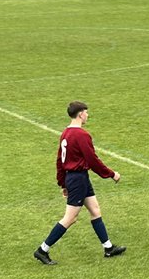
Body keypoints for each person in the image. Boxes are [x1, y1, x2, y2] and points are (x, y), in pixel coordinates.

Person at [34, 101, 125, 265]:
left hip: (75, 178)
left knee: (95, 210)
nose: (88, 115)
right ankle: (43, 250)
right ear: (81, 114)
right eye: (86, 112)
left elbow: (59, 161)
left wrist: (63, 183)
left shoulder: (65, 134)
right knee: (70, 218)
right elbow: (92, 160)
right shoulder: (82, 135)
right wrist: (111, 174)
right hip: (78, 179)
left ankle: (108, 248)